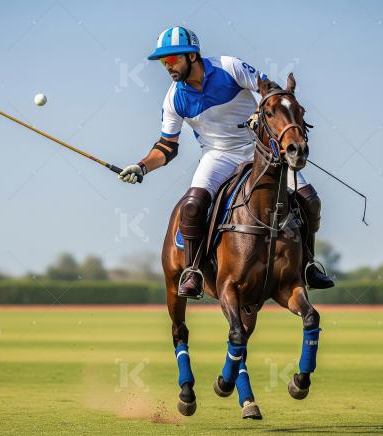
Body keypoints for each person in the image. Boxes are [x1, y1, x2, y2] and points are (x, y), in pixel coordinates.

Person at [118, 26, 334, 299]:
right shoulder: (174, 98)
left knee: (310, 199)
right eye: (163, 61)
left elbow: (271, 91)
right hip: (217, 155)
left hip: (259, 149)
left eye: (172, 59)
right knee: (193, 206)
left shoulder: (229, 67)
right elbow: (167, 146)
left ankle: (308, 265)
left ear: (192, 56)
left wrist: (260, 113)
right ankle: (194, 272)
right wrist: (141, 167)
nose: (167, 66)